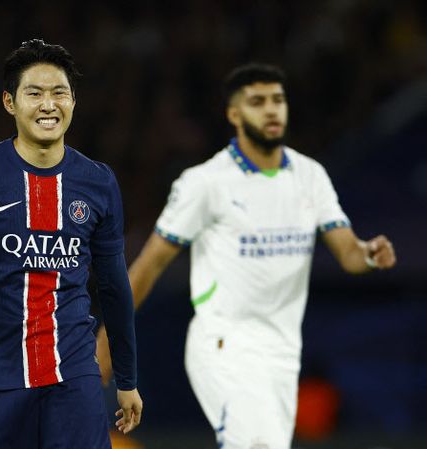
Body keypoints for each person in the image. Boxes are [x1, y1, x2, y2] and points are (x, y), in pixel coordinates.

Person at [96, 63, 396, 449]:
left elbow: (348, 252)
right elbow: (150, 264)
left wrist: (368, 255)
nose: (271, 110)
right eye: (258, 102)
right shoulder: (205, 183)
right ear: (235, 114)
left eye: (277, 100)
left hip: (282, 351)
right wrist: (108, 342)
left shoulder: (310, 176)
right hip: (225, 345)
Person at [0, 39, 142, 449]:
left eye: (59, 93)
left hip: (74, 376)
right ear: (9, 102)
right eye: (34, 93)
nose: (48, 105)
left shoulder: (98, 182)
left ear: (73, 101)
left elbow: (115, 285)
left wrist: (127, 379)